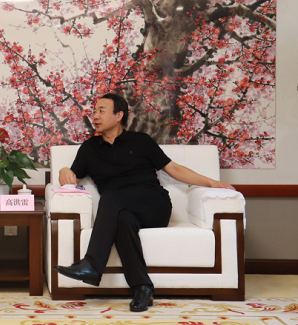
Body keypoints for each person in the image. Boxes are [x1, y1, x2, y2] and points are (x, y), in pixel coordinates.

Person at [54, 93, 235, 312]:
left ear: (119, 115)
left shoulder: (141, 141)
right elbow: (71, 176)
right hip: (121, 209)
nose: (95, 116)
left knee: (111, 196)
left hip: (154, 205)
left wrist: (212, 182)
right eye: (94, 111)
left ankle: (92, 263)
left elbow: (173, 168)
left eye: (101, 111)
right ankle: (142, 287)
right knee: (122, 219)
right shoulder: (89, 148)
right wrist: (63, 170)